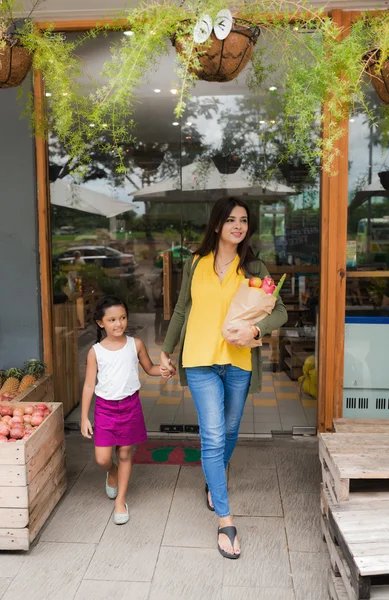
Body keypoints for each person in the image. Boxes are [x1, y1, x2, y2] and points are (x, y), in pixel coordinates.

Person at [160, 197, 288, 559]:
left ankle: (212, 479)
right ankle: (225, 518)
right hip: (200, 360)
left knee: (230, 430)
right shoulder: (195, 263)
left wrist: (257, 332)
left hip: (237, 363)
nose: (237, 225)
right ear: (216, 225)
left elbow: (279, 312)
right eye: (230, 219)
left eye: (243, 220)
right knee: (213, 435)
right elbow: (182, 308)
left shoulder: (254, 266)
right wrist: (167, 350)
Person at [81, 295, 171, 525]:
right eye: (111, 320)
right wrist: (84, 417)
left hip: (130, 406)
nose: (118, 324)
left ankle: (120, 500)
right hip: (105, 409)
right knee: (102, 458)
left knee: (124, 453)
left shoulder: (136, 344)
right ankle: (111, 472)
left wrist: (164, 370)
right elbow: (90, 385)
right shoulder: (96, 352)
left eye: (122, 318)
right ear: (101, 323)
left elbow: (149, 368)